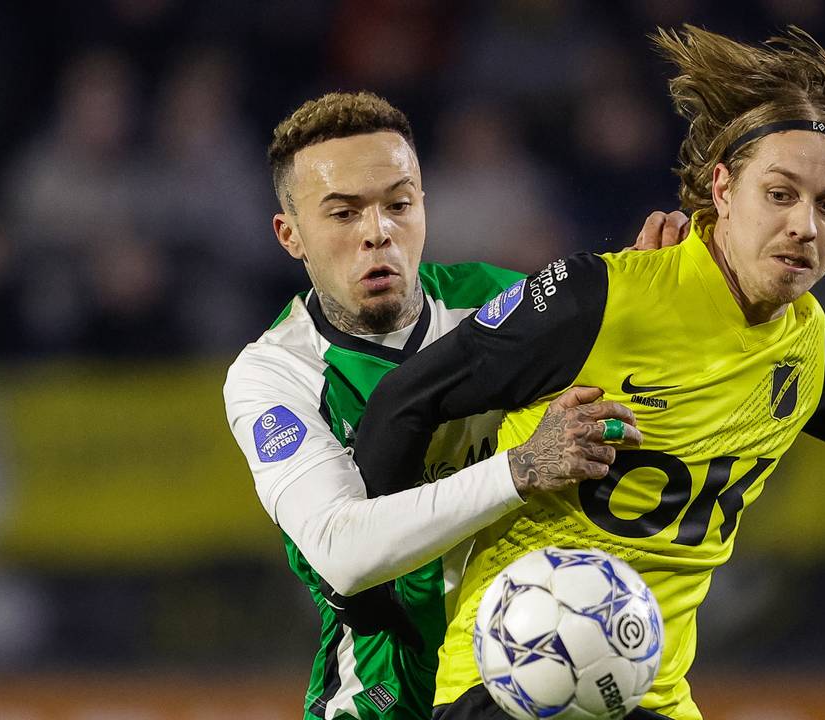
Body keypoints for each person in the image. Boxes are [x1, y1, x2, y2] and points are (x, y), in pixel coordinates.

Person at [354, 25, 825, 720]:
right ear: (722, 189)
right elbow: (401, 403)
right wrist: (382, 604)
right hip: (513, 683)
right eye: (781, 194)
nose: (806, 224)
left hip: (645, 690)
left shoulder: (803, 345)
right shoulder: (600, 299)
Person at [223, 91, 687, 720]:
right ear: (291, 235)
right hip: (385, 685)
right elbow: (343, 551)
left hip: (523, 670)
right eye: (342, 214)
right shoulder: (273, 375)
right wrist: (520, 467)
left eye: (398, 204)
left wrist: (656, 290)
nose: (377, 233)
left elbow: (635, 372)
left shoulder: (498, 302)